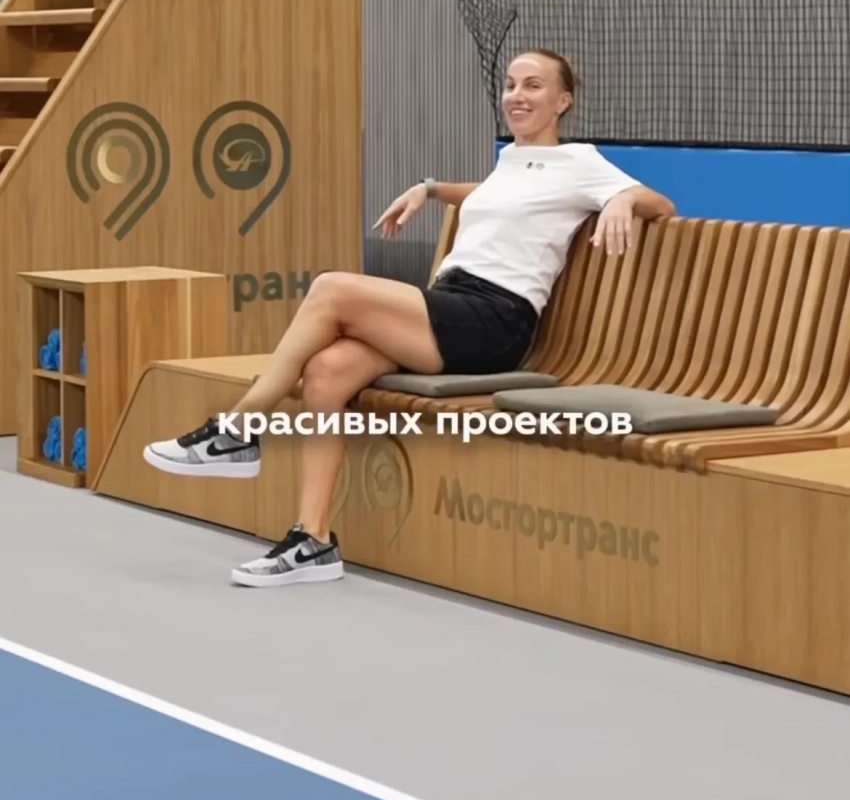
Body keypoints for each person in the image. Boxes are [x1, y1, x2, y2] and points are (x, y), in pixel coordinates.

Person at [144, 50, 675, 589]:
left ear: (562, 101)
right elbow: (498, 196)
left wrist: (622, 200)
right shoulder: (514, 160)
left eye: (533, 86)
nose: (517, 96)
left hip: (494, 320)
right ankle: (313, 540)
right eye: (511, 85)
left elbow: (661, 205)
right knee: (326, 373)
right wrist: (431, 189)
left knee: (331, 289)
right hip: (451, 305)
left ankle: (238, 429)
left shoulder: (580, 162)